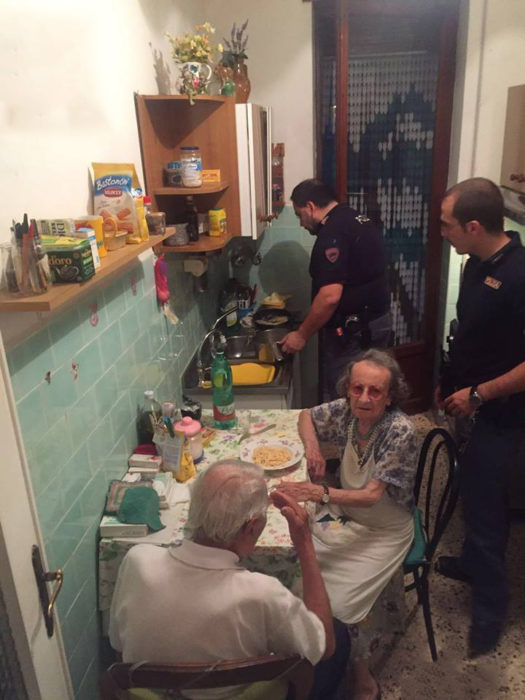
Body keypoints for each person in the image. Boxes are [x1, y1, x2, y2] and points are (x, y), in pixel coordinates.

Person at [109, 459, 350, 700]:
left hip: (148, 695)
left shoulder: (137, 560)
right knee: (337, 633)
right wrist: (305, 544)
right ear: (252, 527)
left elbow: (118, 645)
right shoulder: (262, 593)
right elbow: (324, 646)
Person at [274, 349, 417, 700]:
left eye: (375, 391)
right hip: (347, 516)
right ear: (348, 388)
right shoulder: (346, 411)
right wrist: (314, 449)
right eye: (357, 389)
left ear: (390, 396)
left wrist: (320, 492)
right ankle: (307, 653)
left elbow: (370, 495)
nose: (364, 398)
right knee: (297, 563)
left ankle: (362, 677)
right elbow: (306, 415)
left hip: (385, 529)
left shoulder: (399, 430)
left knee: (341, 603)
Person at [435, 177, 525, 657]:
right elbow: (468, 330)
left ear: (473, 225)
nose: (442, 232)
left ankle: (488, 620)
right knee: (470, 489)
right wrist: (448, 380)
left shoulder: (520, 276)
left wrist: (478, 394)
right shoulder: (475, 265)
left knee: (489, 511)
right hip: (467, 400)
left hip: (504, 415)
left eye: (447, 224)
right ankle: (470, 563)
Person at [281, 178, 391, 400]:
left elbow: (330, 297)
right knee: (371, 394)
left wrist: (301, 335)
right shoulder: (354, 218)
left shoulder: (332, 234)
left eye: (299, 215)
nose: (301, 223)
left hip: (354, 334)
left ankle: (343, 435)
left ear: (310, 207)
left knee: (345, 397)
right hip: (376, 323)